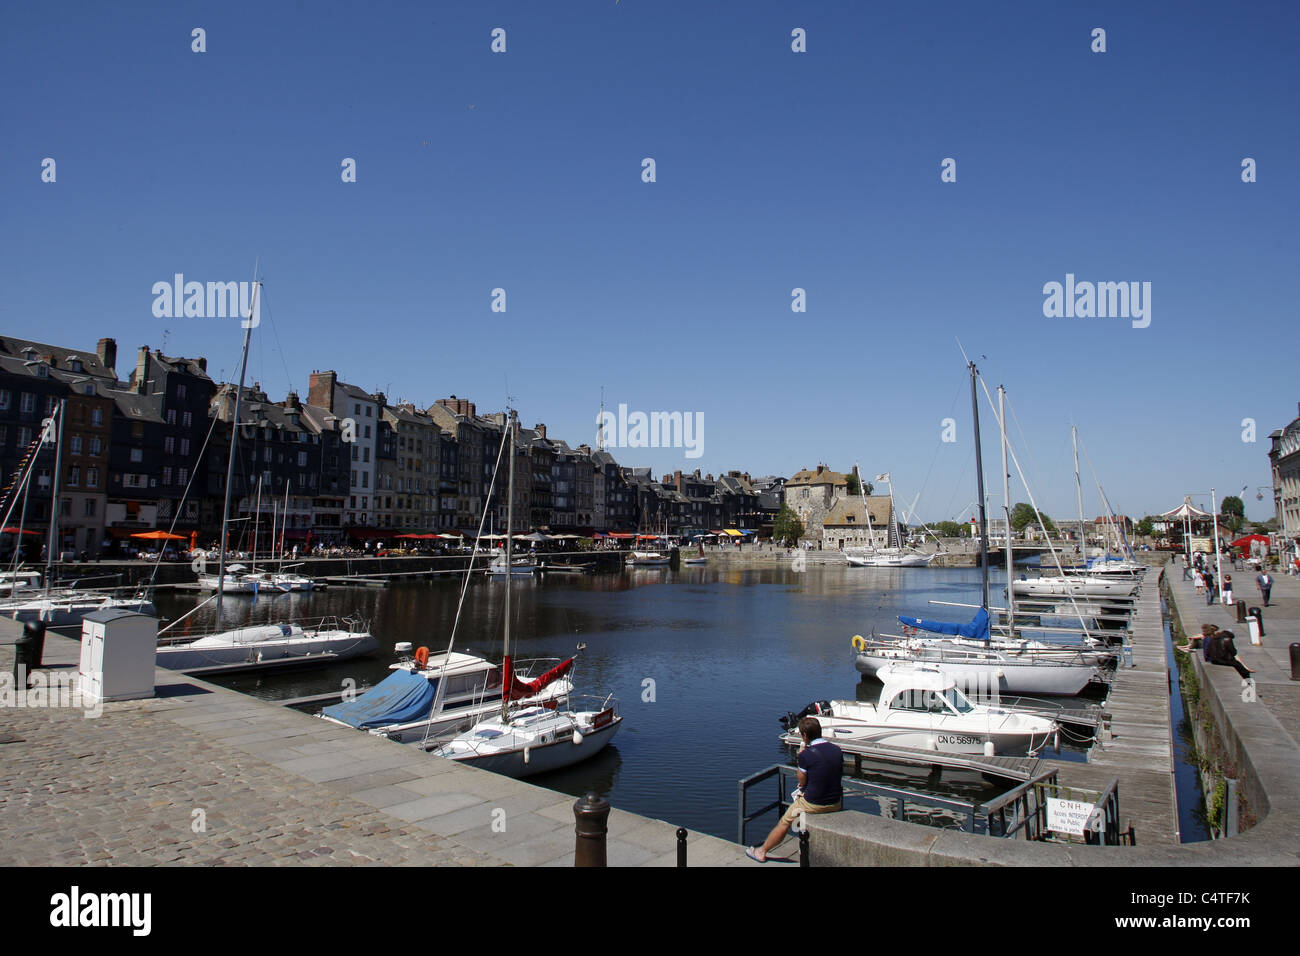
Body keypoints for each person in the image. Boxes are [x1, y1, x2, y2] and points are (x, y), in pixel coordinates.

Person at [747, 716, 842, 863]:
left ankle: (761, 851)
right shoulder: (837, 750)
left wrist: (802, 754)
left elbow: (801, 781)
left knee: (785, 821)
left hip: (815, 803)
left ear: (804, 735)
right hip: (836, 802)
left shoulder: (807, 755)